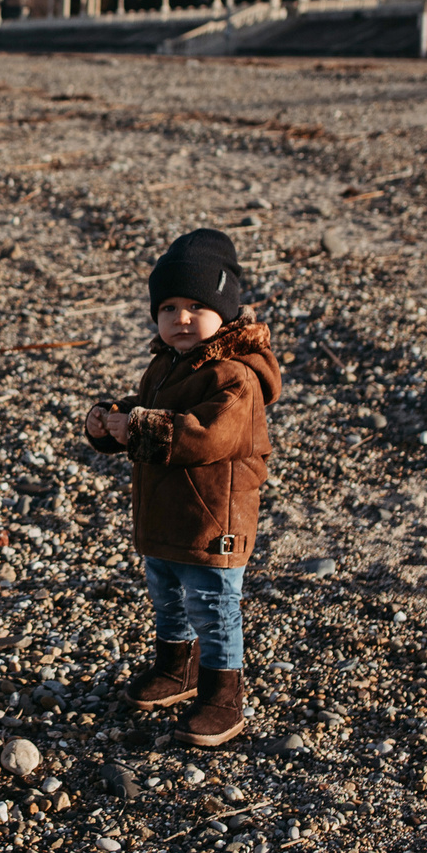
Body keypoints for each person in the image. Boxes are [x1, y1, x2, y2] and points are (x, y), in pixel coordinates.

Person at [84, 228, 282, 746]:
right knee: (167, 595)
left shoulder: (234, 377)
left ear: (228, 313)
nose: (182, 318)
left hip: (214, 517)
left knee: (214, 606)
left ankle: (222, 697)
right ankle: (177, 670)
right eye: (168, 307)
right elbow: (152, 412)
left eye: (197, 305)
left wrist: (144, 427)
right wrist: (114, 421)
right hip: (166, 517)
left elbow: (205, 435)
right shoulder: (165, 364)